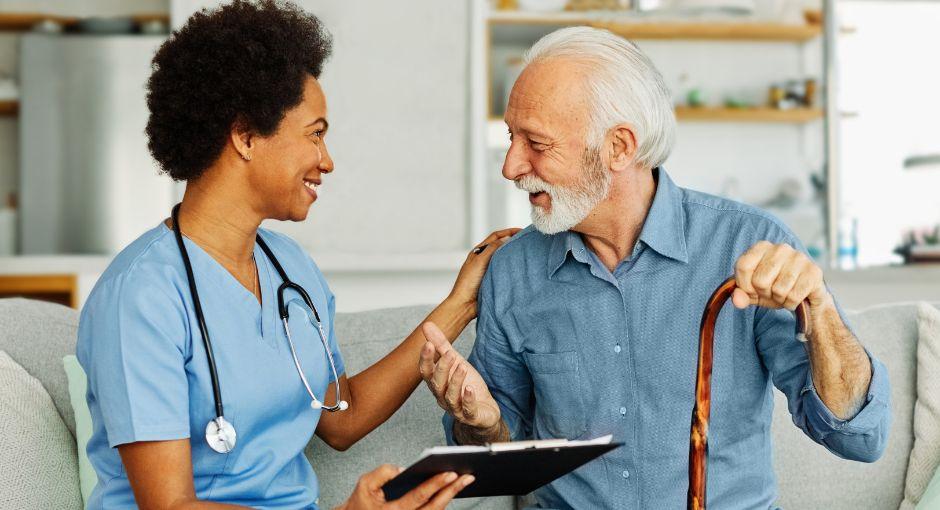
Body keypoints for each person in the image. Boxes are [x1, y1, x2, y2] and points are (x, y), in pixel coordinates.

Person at [419, 26, 891, 508]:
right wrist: (480, 424)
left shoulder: (747, 245)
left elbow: (860, 437)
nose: (510, 166)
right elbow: (495, 465)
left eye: (536, 144)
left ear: (619, 147)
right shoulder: (513, 271)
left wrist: (820, 309)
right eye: (511, 137)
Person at [76, 2, 517, 508]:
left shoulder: (289, 267)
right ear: (245, 136)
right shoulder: (140, 296)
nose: (327, 161)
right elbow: (169, 506)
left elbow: (342, 418)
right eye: (315, 134)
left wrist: (461, 302)